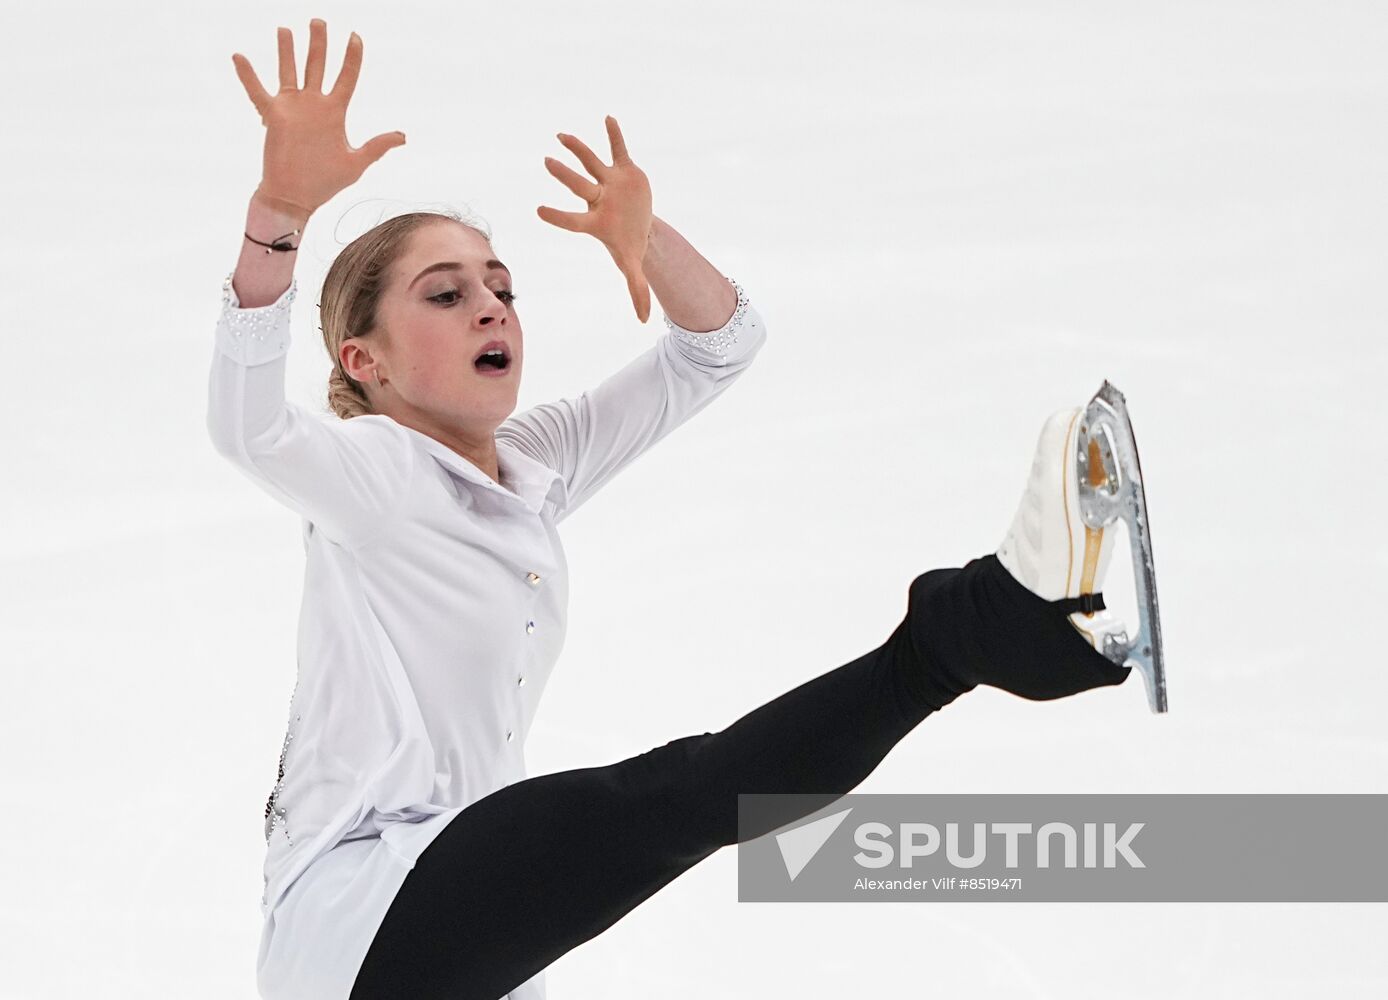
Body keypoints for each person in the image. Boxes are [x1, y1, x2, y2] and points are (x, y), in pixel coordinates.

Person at [211, 19, 1157, 1000]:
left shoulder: (534, 463)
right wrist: (277, 218)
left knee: (672, 800)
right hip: (363, 912)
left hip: (471, 926)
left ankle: (972, 639)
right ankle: (964, 636)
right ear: (363, 361)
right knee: (672, 797)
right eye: (445, 296)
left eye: (500, 286)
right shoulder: (372, 474)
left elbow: (719, 343)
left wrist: (646, 238)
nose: (492, 307)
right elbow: (248, 430)